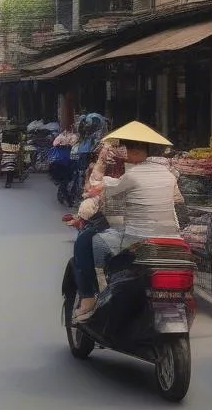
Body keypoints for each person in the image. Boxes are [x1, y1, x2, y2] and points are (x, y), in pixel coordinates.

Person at [67, 122, 182, 324]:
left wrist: (102, 185)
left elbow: (103, 192)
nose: (123, 152)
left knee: (84, 243)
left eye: (126, 148)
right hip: (171, 235)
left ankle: (88, 298)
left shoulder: (132, 175)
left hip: (136, 237)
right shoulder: (169, 174)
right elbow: (177, 201)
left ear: (131, 149)